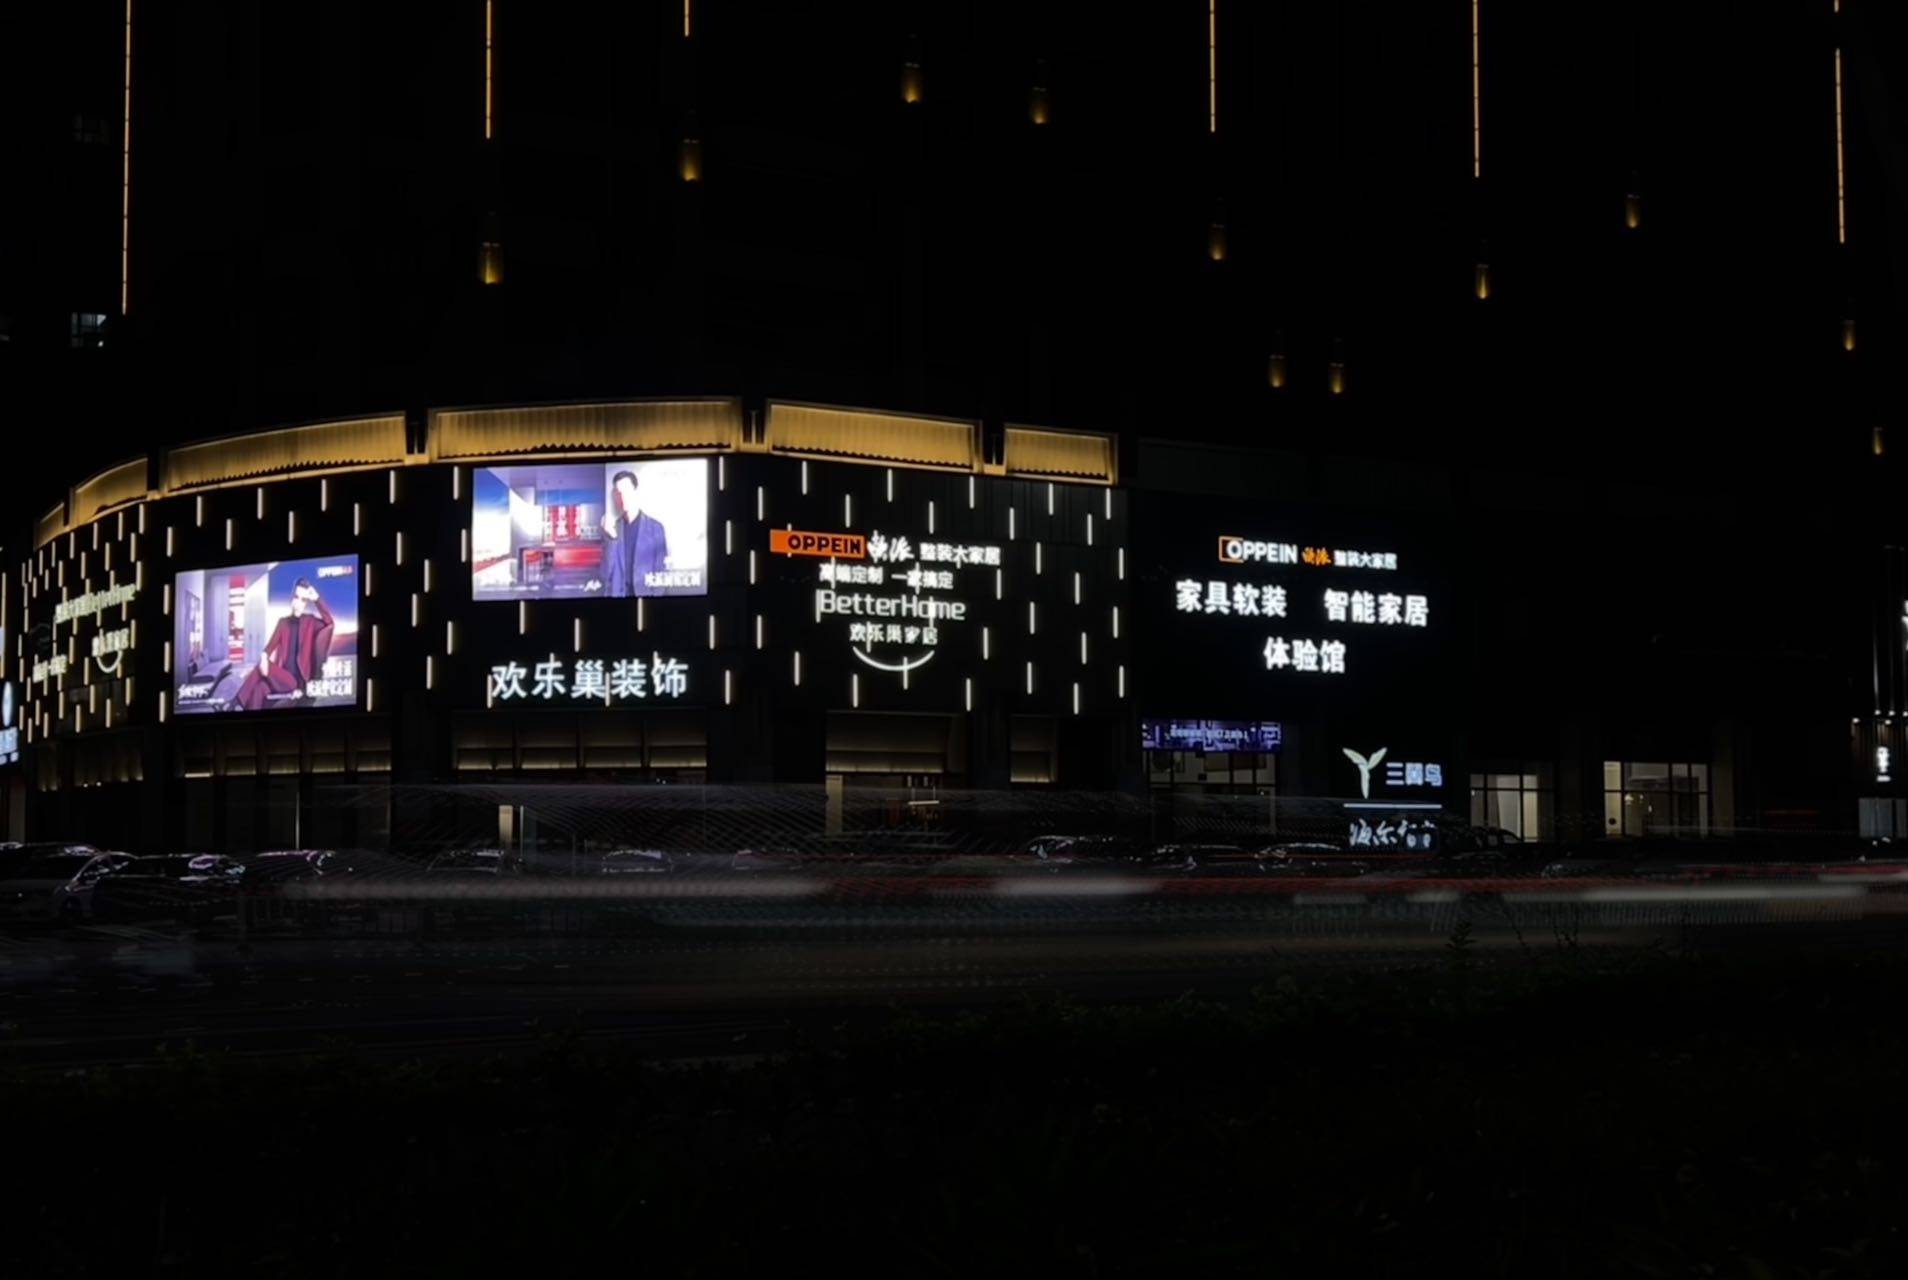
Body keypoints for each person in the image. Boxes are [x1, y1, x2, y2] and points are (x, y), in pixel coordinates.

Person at [230, 578, 335, 711]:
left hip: (295, 683)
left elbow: (330, 623)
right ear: (291, 598)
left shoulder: (311, 622)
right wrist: (264, 656)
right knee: (259, 688)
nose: (298, 603)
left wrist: (317, 599)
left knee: (261, 669)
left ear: (306, 603)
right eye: (296, 597)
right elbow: (269, 647)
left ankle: (235, 703)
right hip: (280, 677)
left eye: (303, 600)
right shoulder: (283, 623)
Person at [600, 468, 670, 597]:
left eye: (627, 491)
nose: (623, 497)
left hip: (646, 600)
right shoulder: (612, 529)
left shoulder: (655, 528)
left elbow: (661, 573)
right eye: (618, 493)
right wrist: (612, 538)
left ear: (635, 492)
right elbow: (605, 574)